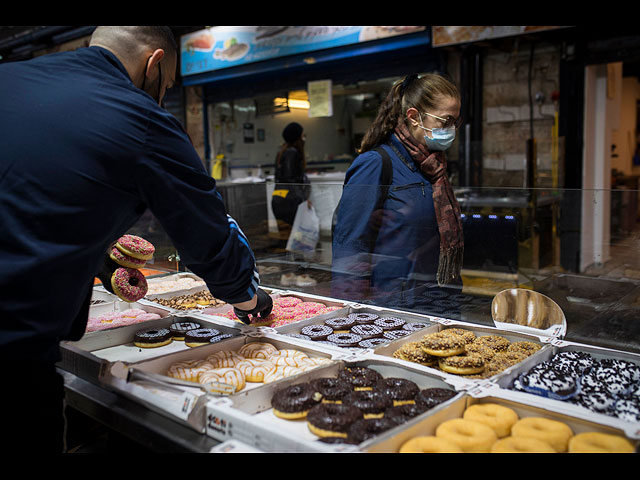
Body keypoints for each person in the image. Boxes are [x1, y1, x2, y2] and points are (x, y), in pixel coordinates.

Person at [0, 26, 272, 453]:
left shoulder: (14, 77)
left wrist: (100, 258)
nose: (162, 97)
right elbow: (208, 234)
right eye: (165, 86)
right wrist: (250, 300)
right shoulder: (140, 116)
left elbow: (29, 196)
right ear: (154, 62)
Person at [332, 73, 464, 308]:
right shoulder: (376, 163)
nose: (451, 129)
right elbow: (350, 245)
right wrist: (350, 313)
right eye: (445, 121)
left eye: (455, 121)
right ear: (414, 117)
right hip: (395, 304)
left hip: (437, 300)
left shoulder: (433, 166)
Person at [271, 122, 311, 240]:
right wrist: (304, 199)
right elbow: (290, 180)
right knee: (296, 239)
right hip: (289, 203)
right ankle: (295, 258)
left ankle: (289, 258)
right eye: (302, 135)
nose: (304, 138)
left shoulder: (282, 152)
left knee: (286, 238)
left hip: (279, 199)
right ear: (297, 137)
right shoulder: (292, 152)